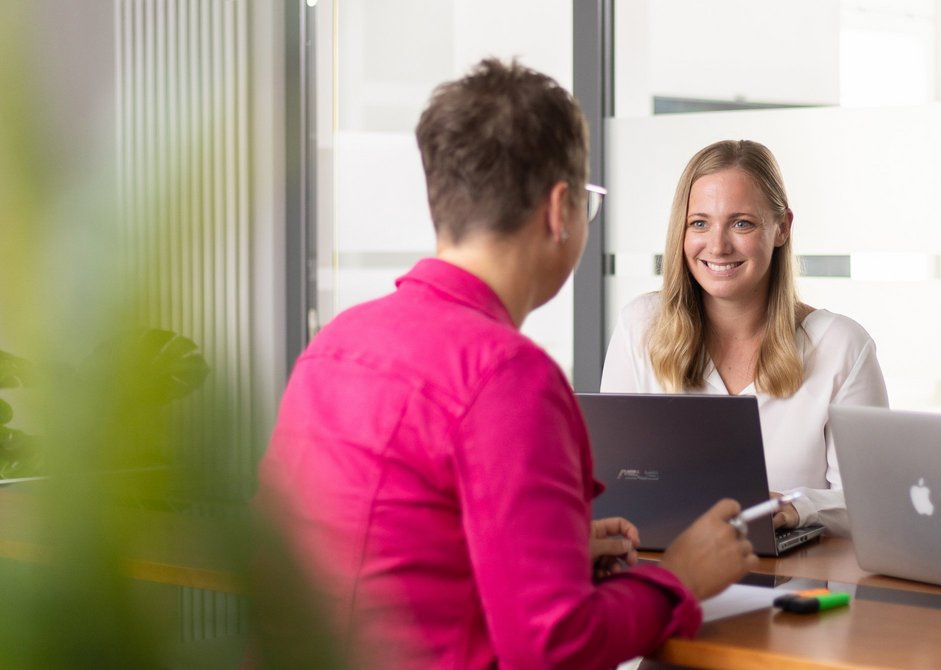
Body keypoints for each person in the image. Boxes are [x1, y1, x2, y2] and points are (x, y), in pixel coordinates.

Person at [254, 59, 757, 669]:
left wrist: (557, 550)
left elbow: (377, 557)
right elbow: (554, 648)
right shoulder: (507, 379)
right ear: (560, 210)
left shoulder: (334, 344)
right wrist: (678, 577)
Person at [600, 140, 889, 537]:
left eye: (741, 223)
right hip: (665, 575)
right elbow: (610, 481)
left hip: (794, 584)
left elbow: (872, 502)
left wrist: (793, 507)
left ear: (782, 228)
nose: (717, 246)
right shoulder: (640, 326)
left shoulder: (842, 347)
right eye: (699, 223)